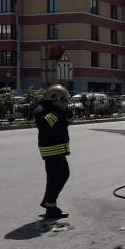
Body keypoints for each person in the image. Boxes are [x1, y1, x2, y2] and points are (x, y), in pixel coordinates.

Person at [34, 84, 74, 219]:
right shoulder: (42, 110)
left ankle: (49, 204)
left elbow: (70, 120)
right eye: (64, 100)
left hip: (58, 149)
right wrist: (57, 110)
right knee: (58, 177)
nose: (67, 103)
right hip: (51, 149)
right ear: (55, 100)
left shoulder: (58, 110)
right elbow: (44, 125)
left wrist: (65, 110)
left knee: (58, 177)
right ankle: (50, 204)